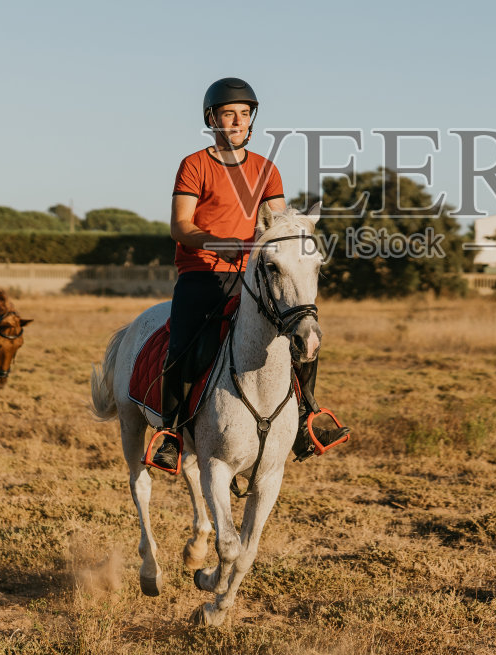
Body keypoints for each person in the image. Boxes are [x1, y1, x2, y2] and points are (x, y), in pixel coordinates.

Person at [146, 77, 350, 475]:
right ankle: (170, 434)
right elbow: (179, 226)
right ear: (212, 119)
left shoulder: (266, 169)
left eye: (244, 114)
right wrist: (217, 242)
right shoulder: (194, 165)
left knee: (301, 334)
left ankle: (306, 421)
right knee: (182, 346)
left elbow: (277, 222)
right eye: (228, 114)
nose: (237, 121)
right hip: (202, 273)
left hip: (254, 276)